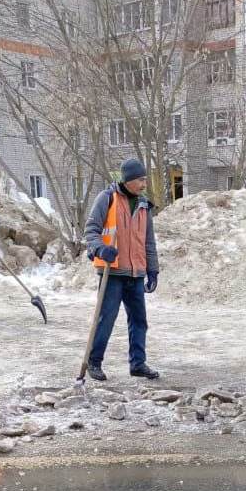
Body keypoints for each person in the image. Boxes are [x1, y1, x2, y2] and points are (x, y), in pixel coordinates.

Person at [84, 158, 160, 381]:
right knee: (105, 318)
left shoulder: (144, 205)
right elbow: (91, 230)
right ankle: (94, 362)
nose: (144, 184)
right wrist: (100, 249)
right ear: (127, 180)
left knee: (139, 320)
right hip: (113, 272)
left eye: (145, 179)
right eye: (140, 179)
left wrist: (152, 269)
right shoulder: (107, 198)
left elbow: (149, 242)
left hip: (136, 272)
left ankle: (138, 363)